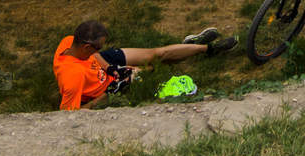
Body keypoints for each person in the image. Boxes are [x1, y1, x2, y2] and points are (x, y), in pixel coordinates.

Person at [53, 20, 235, 110]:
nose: (99, 49)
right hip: (110, 86)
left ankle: (207, 48)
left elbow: (95, 55)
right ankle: (189, 46)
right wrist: (109, 94)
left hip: (105, 64)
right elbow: (70, 115)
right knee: (154, 69)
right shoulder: (73, 77)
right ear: (86, 47)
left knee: (156, 54)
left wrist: (110, 67)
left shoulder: (69, 42)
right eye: (98, 47)